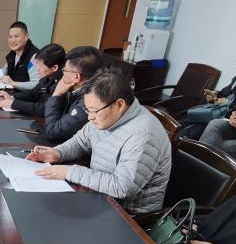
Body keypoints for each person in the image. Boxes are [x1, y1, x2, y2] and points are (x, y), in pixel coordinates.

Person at [27, 68, 171, 215]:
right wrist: (58, 153)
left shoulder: (144, 134)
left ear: (119, 105)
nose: (90, 117)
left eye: (94, 111)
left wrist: (70, 172)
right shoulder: (106, 116)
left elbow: (122, 187)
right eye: (87, 110)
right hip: (99, 196)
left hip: (127, 215)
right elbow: (80, 142)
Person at [40, 45, 104, 143]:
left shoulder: (89, 101)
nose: (63, 74)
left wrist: (56, 94)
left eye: (65, 70)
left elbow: (53, 132)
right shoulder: (74, 88)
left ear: (76, 77)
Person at [0, 43, 65, 116]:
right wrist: (12, 97)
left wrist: (13, 104)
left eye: (41, 65)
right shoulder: (47, 77)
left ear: (54, 68)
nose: (37, 68)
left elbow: (44, 108)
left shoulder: (61, 84)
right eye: (37, 64)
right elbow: (32, 93)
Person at [0, 20, 40, 86]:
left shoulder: (34, 57)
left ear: (26, 37)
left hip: (25, 92)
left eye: (16, 36)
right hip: (11, 91)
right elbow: (4, 70)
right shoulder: (13, 53)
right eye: (10, 37)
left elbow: (36, 84)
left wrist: (12, 83)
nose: (12, 40)